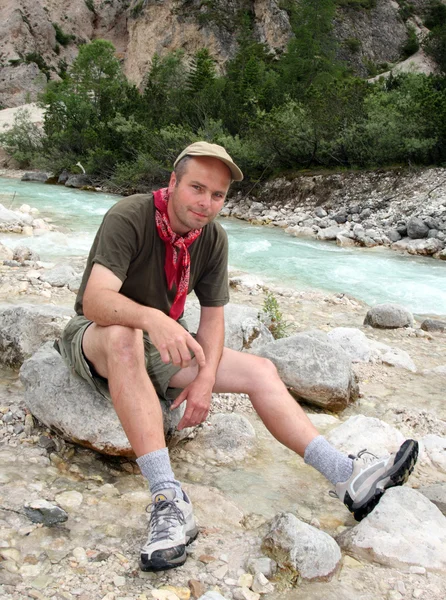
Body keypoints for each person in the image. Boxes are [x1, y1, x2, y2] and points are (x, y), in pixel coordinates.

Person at [57, 142, 418, 573]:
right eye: (197, 188)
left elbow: (212, 320)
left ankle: (346, 475)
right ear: (172, 183)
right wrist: (153, 318)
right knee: (123, 337)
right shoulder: (130, 216)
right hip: (100, 335)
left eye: (217, 195)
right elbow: (96, 301)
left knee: (261, 370)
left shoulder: (213, 238)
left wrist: (205, 379)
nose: (206, 203)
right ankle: (167, 500)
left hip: (158, 342)